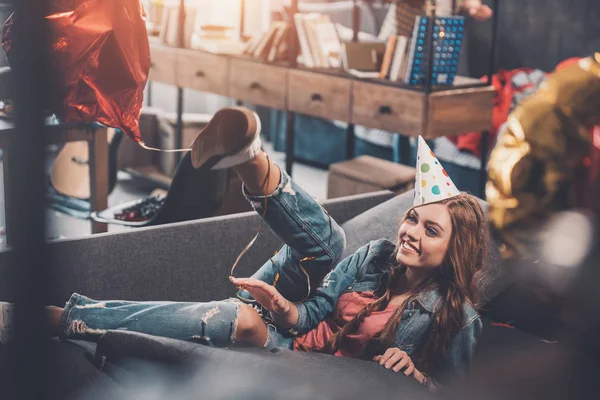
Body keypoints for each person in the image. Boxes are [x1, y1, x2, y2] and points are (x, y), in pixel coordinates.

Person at [0, 107, 489, 389]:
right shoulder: (378, 255)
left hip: (306, 366)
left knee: (239, 319)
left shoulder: (457, 317)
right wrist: (284, 306)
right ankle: (249, 158)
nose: (410, 231)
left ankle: (59, 317)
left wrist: (419, 378)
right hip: (292, 323)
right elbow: (315, 311)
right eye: (412, 217)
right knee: (330, 244)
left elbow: (466, 394)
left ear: (454, 251)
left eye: (430, 230)